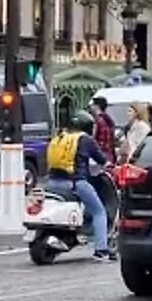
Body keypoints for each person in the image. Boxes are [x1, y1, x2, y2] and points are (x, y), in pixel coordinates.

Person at [46, 110, 113, 262]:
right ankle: (101, 250)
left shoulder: (59, 137)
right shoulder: (85, 140)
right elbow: (101, 159)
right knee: (99, 212)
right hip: (76, 183)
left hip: (52, 183)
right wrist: (110, 165)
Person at [89, 96, 116, 164]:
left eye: (93, 105)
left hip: (101, 156)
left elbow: (94, 139)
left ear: (97, 106)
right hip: (109, 155)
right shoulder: (108, 120)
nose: (91, 107)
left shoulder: (98, 121)